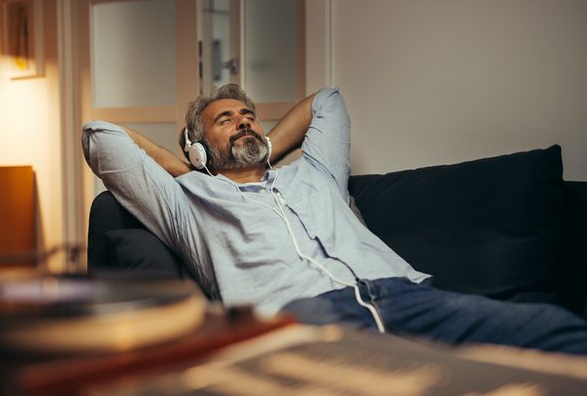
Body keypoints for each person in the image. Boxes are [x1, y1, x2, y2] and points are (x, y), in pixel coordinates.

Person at [82, 84, 587, 356]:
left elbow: (328, 100)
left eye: (248, 116)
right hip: (297, 318)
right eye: (226, 120)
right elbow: (98, 135)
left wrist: (259, 148)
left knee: (557, 331)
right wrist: (197, 170)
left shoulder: (316, 174)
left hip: (410, 295)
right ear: (198, 144)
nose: (243, 121)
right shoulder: (186, 201)